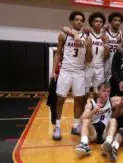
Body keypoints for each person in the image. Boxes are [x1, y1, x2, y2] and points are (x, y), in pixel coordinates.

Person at [50, 11, 90, 140]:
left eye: (81, 20)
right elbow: (58, 53)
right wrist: (53, 71)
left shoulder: (87, 37)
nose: (79, 22)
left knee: (78, 100)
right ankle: (57, 127)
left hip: (79, 72)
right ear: (72, 21)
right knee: (60, 99)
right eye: (77, 19)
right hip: (65, 70)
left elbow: (89, 58)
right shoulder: (64, 35)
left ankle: (76, 126)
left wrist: (88, 46)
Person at [75, 82, 123, 158]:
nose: (106, 93)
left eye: (108, 91)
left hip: (105, 132)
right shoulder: (91, 102)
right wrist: (93, 111)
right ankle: (84, 144)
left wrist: (121, 104)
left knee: (113, 120)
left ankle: (108, 143)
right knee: (85, 121)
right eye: (104, 91)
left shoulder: (111, 101)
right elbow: (82, 118)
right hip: (94, 132)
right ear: (98, 91)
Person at [104, 12, 123, 81]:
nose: (117, 22)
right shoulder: (105, 32)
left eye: (119, 21)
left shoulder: (121, 34)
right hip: (105, 65)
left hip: (115, 67)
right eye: (115, 20)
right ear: (110, 21)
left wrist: (121, 43)